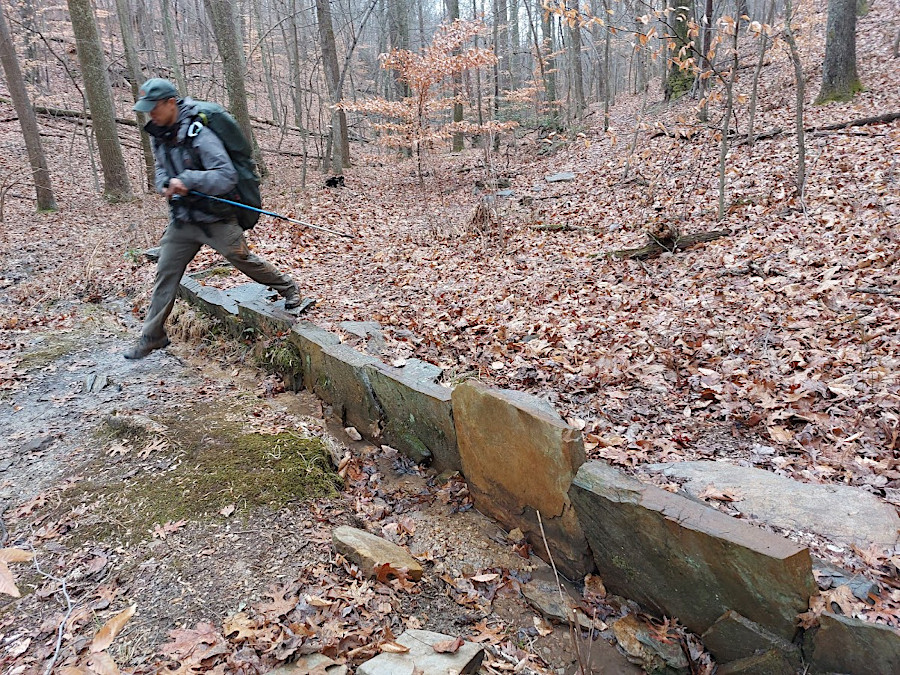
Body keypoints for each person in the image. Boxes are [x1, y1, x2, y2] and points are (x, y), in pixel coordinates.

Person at [125, 78, 302, 360]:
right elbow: (160, 168)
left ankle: (288, 287)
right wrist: (164, 185)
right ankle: (152, 335)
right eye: (147, 109)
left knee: (243, 260)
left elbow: (226, 175)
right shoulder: (158, 133)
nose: (150, 115)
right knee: (165, 273)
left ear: (171, 103)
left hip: (216, 218)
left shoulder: (199, 131)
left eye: (154, 108)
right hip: (183, 220)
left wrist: (187, 180)